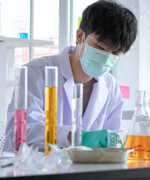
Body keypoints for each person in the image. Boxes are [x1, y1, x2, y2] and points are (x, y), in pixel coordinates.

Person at [3, 1, 137, 151]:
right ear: (80, 36)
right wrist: (73, 136)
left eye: (115, 53)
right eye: (100, 48)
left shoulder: (111, 87)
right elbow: (20, 133)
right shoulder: (35, 72)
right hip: (34, 170)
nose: (106, 58)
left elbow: (110, 145)